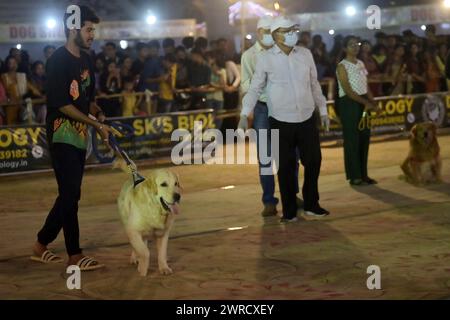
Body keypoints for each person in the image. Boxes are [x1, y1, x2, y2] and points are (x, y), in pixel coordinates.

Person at [32, 5, 112, 270]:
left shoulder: (86, 60)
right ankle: (75, 255)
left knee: (70, 194)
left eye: (93, 30)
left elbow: (85, 99)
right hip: (61, 134)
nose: (92, 35)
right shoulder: (57, 61)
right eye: (88, 29)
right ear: (73, 28)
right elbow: (63, 104)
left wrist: (98, 114)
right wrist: (94, 124)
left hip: (79, 136)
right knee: (70, 194)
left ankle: (41, 244)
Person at [239, 16, 330, 222]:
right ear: (275, 35)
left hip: (306, 117)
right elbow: (254, 88)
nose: (292, 33)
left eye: (294, 29)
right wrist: (245, 114)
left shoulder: (305, 54)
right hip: (280, 119)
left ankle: (311, 204)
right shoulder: (265, 58)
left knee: (313, 161)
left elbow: (314, 84)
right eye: (287, 30)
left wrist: (323, 110)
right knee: (286, 166)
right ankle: (288, 211)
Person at [240, 16, 302, 217]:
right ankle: (269, 200)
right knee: (266, 157)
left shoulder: (284, 52)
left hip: (286, 108)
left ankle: (291, 195)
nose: (270, 34)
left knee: (291, 154)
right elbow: (245, 84)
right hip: (263, 108)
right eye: (266, 31)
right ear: (258, 32)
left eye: (273, 31)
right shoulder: (249, 56)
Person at [336, 36, 380, 187]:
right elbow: (347, 90)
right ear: (344, 48)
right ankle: (354, 176)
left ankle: (363, 174)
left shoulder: (360, 63)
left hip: (362, 102)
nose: (355, 47)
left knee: (364, 137)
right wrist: (366, 102)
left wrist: (373, 102)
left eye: (357, 44)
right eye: (351, 45)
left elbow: (365, 85)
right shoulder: (342, 66)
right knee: (352, 140)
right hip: (349, 103)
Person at [0, 56, 41, 125]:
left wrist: (42, 96)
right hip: (10, 105)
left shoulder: (22, 76)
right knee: (11, 126)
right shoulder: (3, 76)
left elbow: (33, 89)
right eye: (10, 63)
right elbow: (4, 92)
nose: (13, 65)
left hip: (23, 103)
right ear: (7, 64)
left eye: (14, 63)